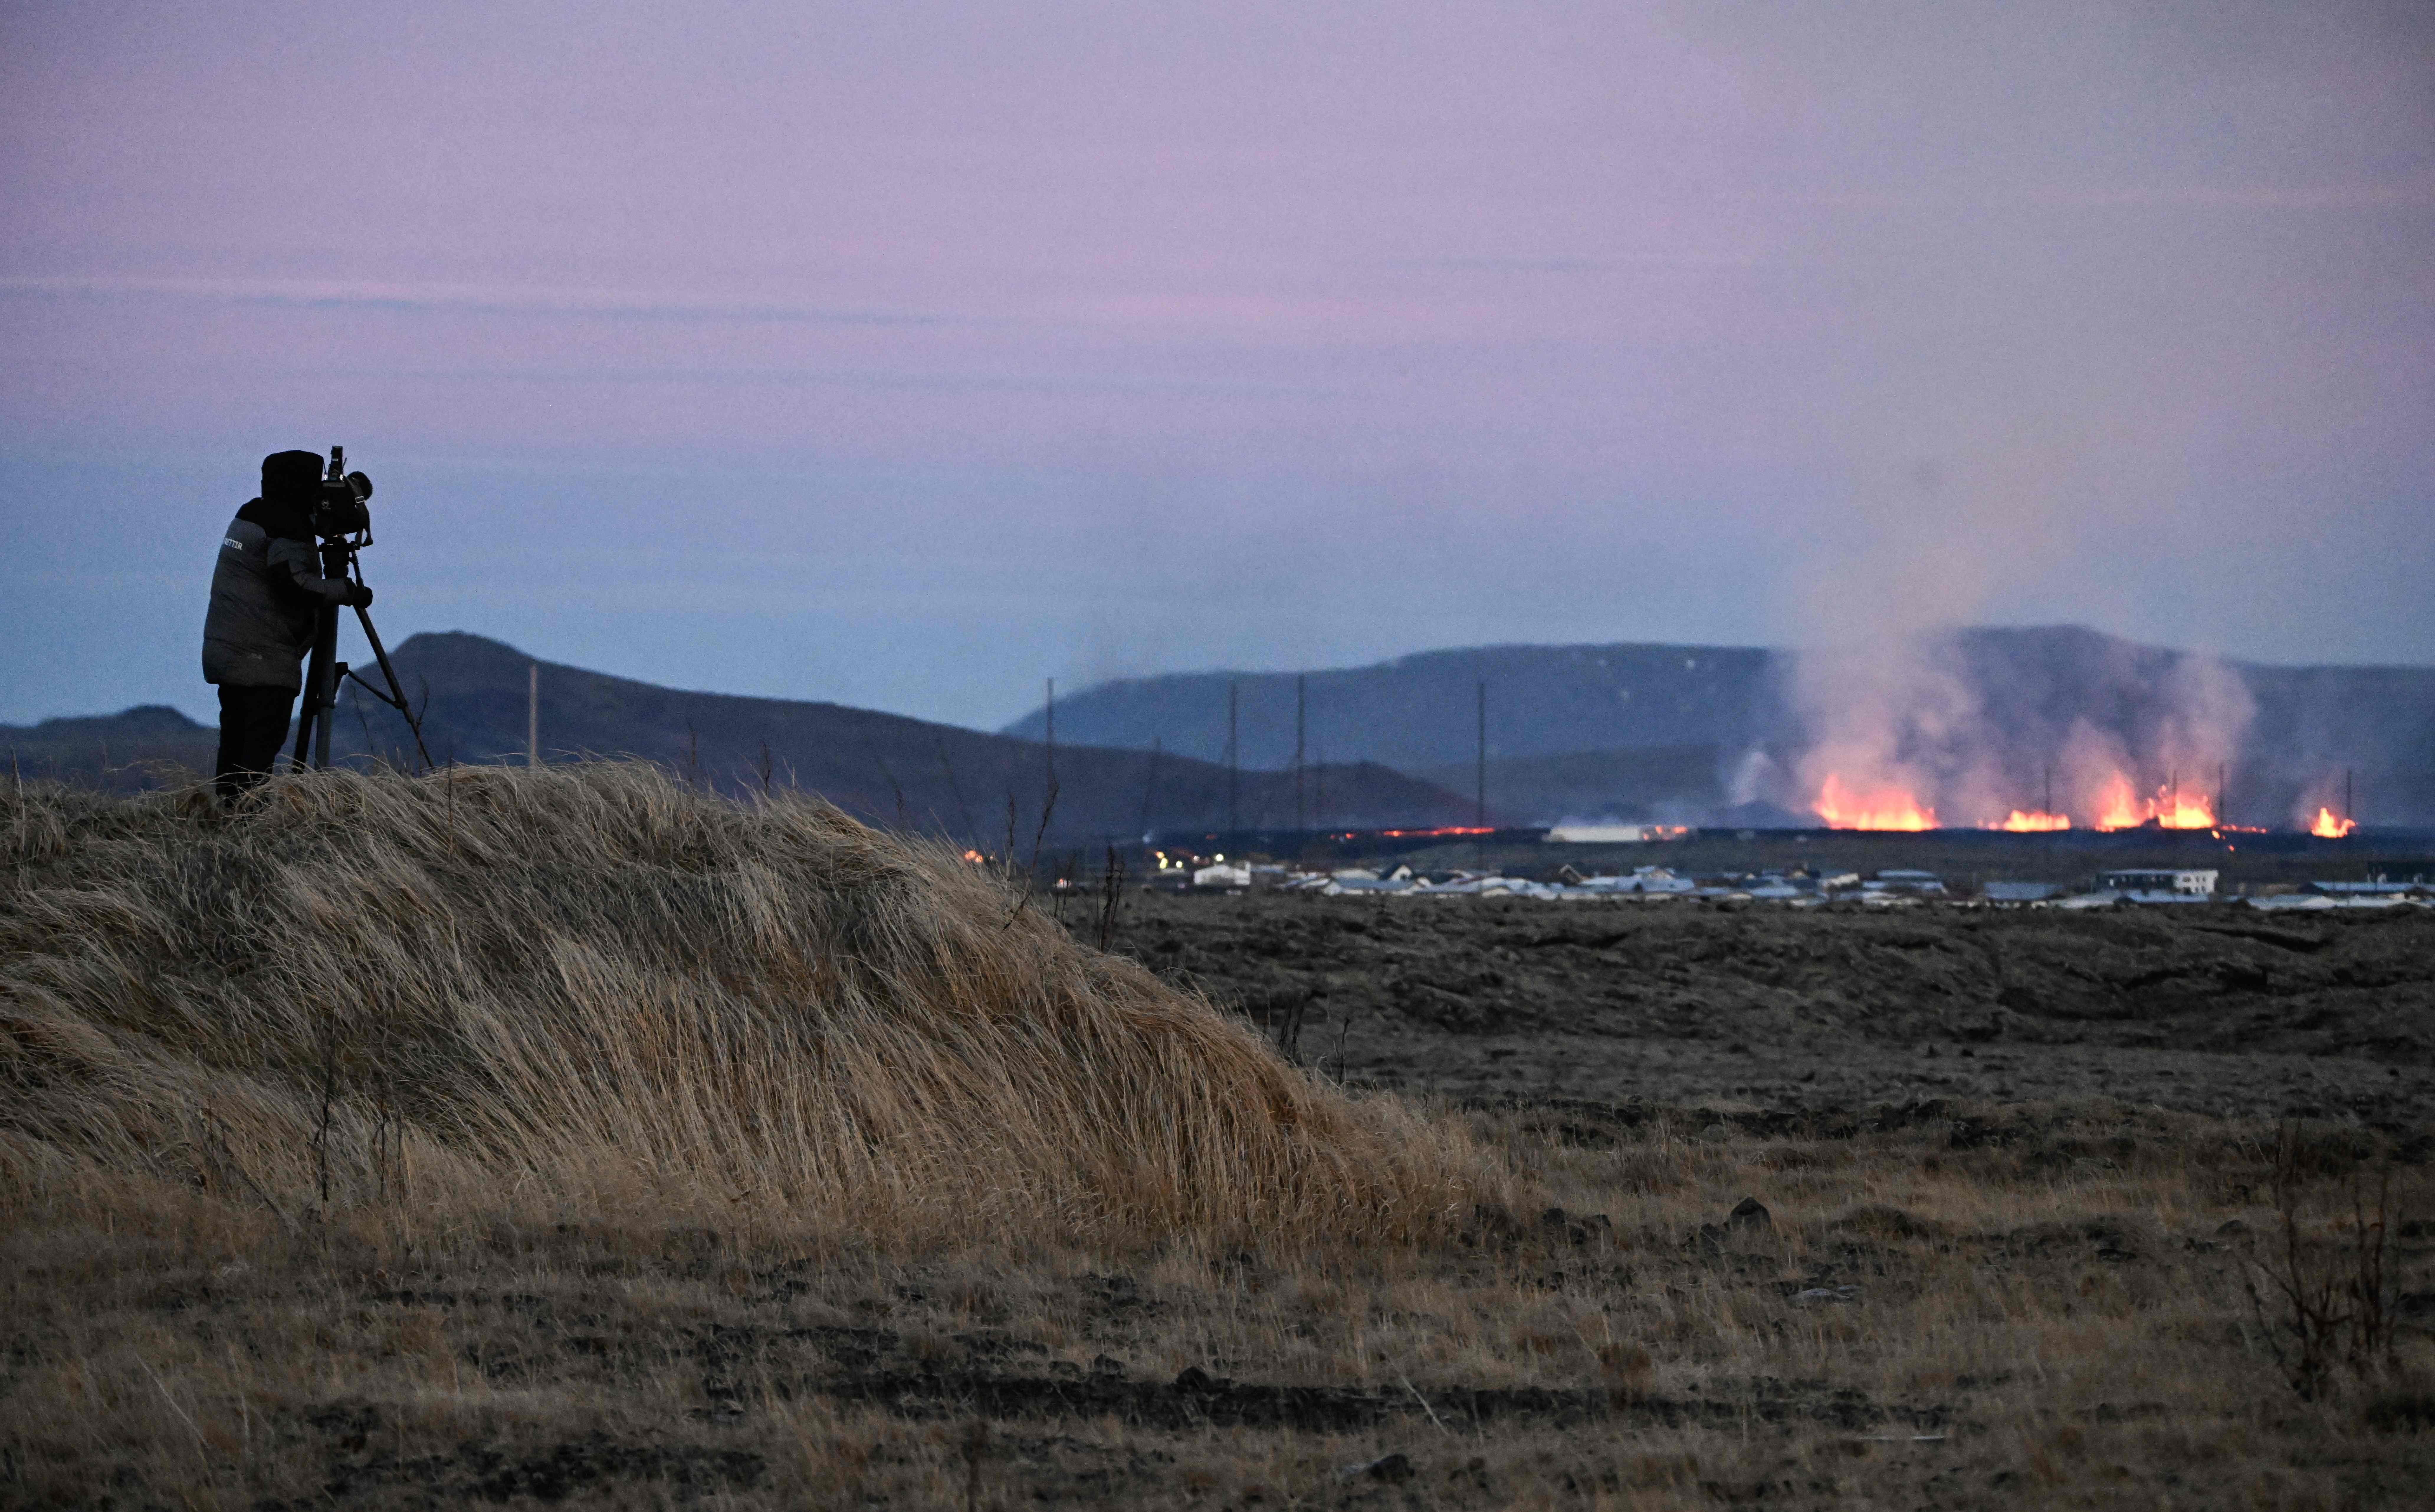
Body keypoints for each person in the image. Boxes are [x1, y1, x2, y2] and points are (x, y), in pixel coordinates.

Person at [201, 450, 372, 801]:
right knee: (259, 748)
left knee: (236, 741)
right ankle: (248, 823)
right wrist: (342, 590)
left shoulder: (252, 514)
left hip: (230, 651)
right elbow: (292, 584)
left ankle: (227, 819)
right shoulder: (287, 525)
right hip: (263, 660)